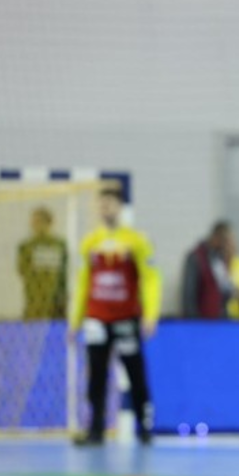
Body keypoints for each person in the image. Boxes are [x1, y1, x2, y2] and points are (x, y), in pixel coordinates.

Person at [69, 186, 160, 445]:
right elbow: (82, 283)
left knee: (136, 373)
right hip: (97, 318)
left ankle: (144, 427)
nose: (105, 208)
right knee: (96, 376)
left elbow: (151, 279)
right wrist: (75, 320)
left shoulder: (136, 241)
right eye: (102, 204)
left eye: (110, 203)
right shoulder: (90, 242)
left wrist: (150, 314)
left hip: (126, 318)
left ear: (120, 208)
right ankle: (95, 430)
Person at [16, 206, 68, 319]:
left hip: (56, 302)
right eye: (33, 222)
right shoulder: (26, 246)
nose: (35, 225)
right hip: (34, 301)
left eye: (39, 222)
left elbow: (65, 271)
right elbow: (22, 270)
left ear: (49, 223)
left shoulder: (60, 245)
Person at [181, 221, 234, 319]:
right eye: (225, 241)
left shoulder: (220, 258)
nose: (227, 245)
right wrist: (192, 321)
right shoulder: (195, 257)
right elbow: (189, 294)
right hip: (202, 320)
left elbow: (225, 292)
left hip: (220, 318)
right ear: (216, 238)